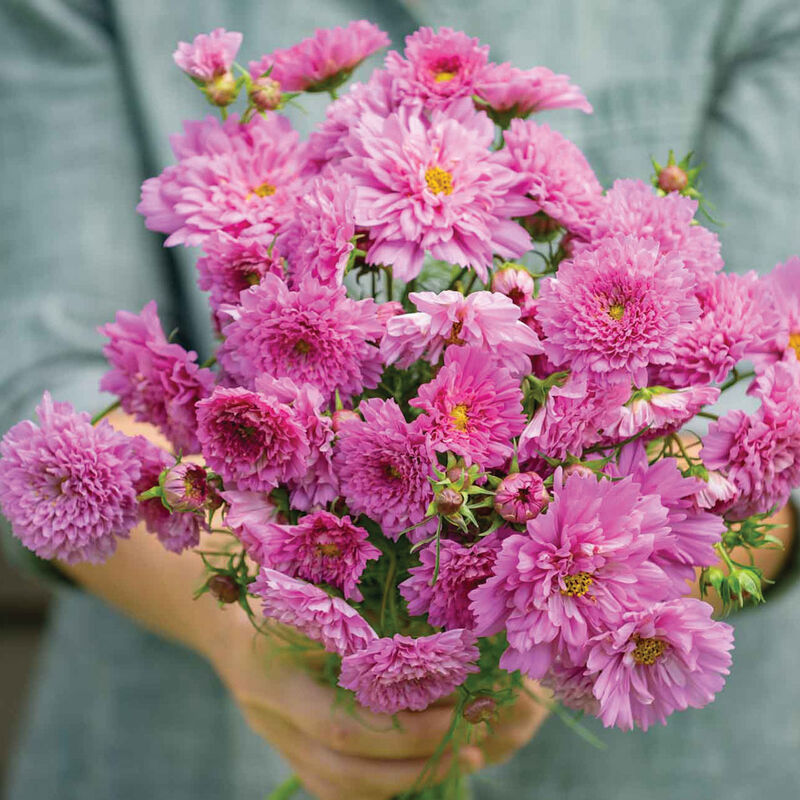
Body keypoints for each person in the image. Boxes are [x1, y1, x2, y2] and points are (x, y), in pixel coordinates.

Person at [2, 1, 799, 798]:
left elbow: (771, 398)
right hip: (179, 743)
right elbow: (38, 371)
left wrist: (560, 635)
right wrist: (236, 631)